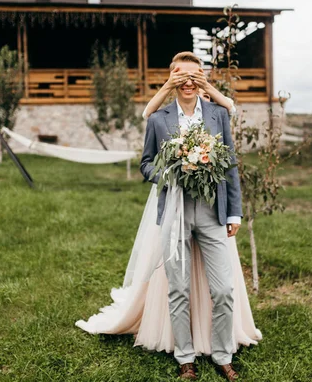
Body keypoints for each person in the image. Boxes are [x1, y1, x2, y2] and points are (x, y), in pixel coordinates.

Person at [76, 52, 261, 381]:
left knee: (223, 290)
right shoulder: (159, 119)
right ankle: (185, 357)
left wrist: (234, 211)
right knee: (179, 289)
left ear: (202, 79)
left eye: (195, 76)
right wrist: (171, 170)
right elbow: (146, 164)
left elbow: (230, 164)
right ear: (173, 79)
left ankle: (222, 355)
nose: (188, 82)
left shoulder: (218, 114)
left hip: (211, 211)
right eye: (181, 76)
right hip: (174, 210)